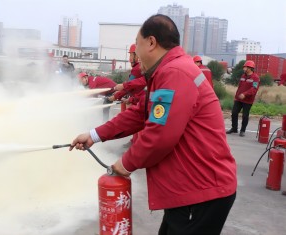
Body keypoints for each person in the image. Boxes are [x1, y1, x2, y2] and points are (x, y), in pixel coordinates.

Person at [71, 14, 237, 235]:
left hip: (202, 190)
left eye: (137, 45)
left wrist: (125, 164)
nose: (136, 55)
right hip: (190, 188)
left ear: (151, 42)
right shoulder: (167, 72)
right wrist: (94, 134)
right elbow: (141, 113)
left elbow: (160, 135)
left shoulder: (175, 73)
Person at [226, 60, 260, 137]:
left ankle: (242, 130)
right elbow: (240, 87)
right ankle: (234, 128)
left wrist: (245, 94)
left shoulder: (256, 78)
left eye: (245, 67)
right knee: (234, 113)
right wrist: (237, 96)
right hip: (238, 99)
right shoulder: (243, 76)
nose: (244, 68)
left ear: (250, 68)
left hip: (248, 100)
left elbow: (254, 89)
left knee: (245, 115)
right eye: (244, 67)